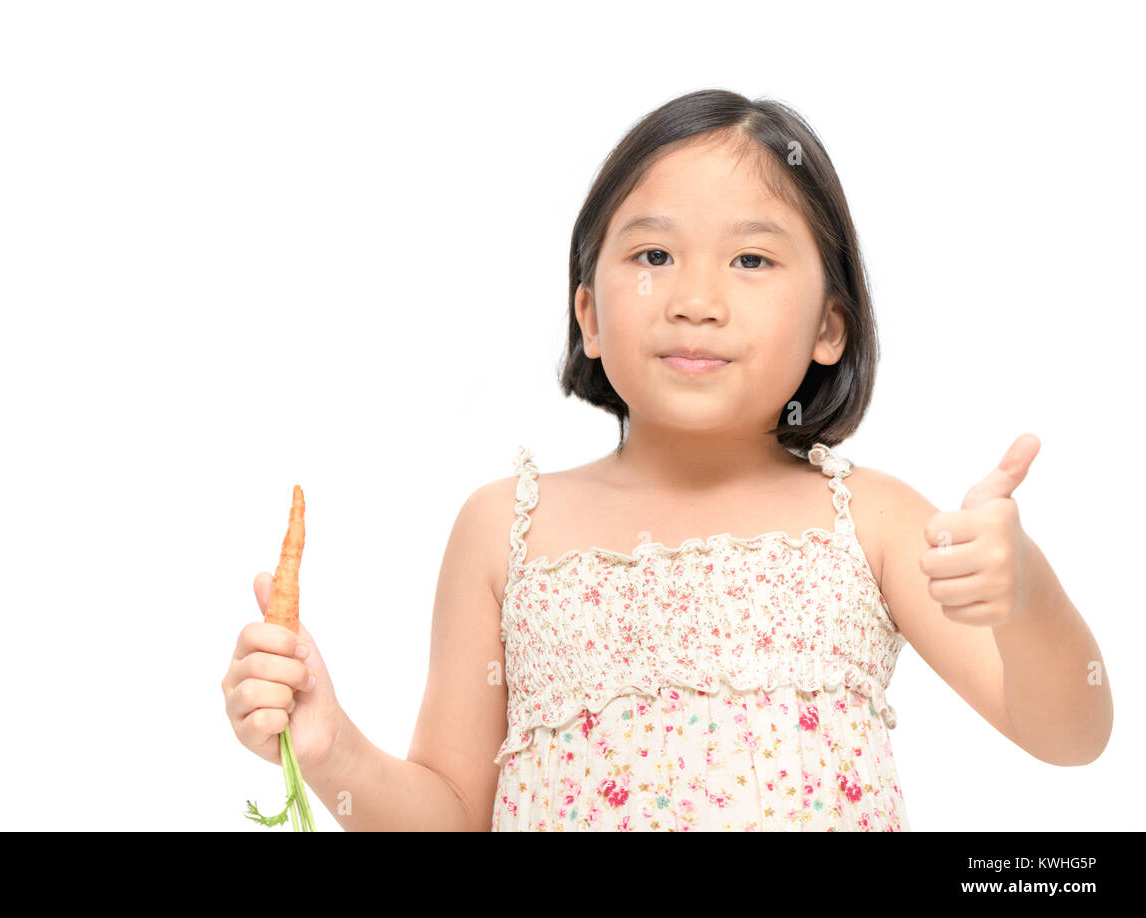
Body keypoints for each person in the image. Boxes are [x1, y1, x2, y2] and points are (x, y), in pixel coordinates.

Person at [222, 88, 1112, 831]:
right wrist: (333, 749)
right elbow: (454, 813)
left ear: (830, 326)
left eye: (752, 258)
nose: (695, 299)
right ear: (590, 315)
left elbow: (1071, 732)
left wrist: (1027, 596)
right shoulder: (504, 530)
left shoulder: (873, 522)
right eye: (653, 254)